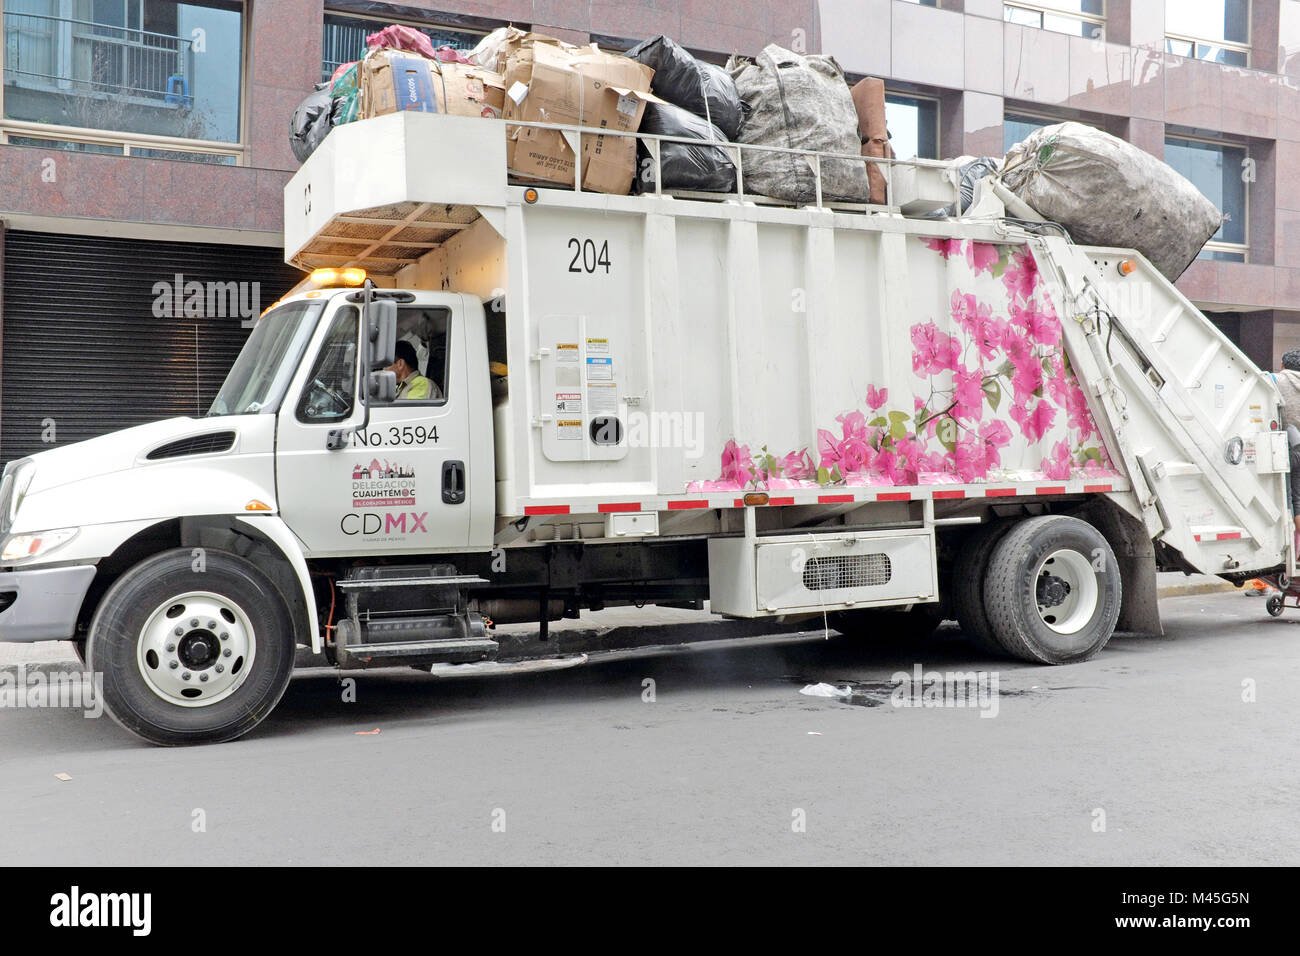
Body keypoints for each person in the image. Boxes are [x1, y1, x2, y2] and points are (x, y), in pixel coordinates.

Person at [1271, 349, 1300, 536]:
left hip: (1290, 445)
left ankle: (1291, 544)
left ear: (1283, 364)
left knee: (1291, 498)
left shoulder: (1275, 380)